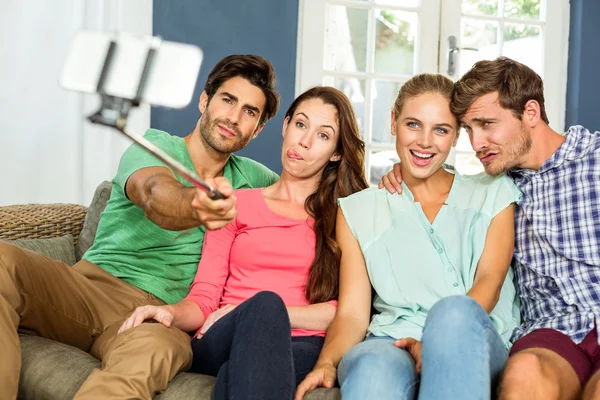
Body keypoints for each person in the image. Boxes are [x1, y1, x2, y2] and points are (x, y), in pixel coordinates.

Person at [0, 54, 281, 399]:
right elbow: (153, 194)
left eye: (250, 112)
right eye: (227, 100)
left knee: (151, 354)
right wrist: (197, 204)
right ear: (205, 100)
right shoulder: (155, 147)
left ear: (259, 129)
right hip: (88, 289)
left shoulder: (258, 182)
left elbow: (317, 198)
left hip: (160, 317)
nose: (234, 118)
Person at [120, 86, 369, 400]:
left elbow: (346, 311)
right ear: (286, 125)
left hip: (303, 343)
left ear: (335, 151)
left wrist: (254, 310)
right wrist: (169, 312)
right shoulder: (237, 204)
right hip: (223, 336)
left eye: (322, 135)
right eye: (301, 125)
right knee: (262, 309)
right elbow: (206, 297)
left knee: (241, 363)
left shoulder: (343, 217)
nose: (304, 142)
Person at [380, 57, 600, 400]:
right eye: (467, 129)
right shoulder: (492, 187)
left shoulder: (595, 159)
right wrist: (403, 172)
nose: (476, 143)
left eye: (486, 124)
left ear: (530, 113)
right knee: (524, 376)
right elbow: (435, 179)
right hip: (551, 331)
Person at [296, 73, 521, 400]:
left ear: (456, 135)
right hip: (390, 341)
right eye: (413, 125)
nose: (425, 142)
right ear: (393, 122)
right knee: (372, 372)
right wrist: (327, 362)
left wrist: (434, 342)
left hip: (473, 338)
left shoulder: (493, 192)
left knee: (454, 318)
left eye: (441, 129)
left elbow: (490, 279)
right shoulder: (358, 211)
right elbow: (353, 314)